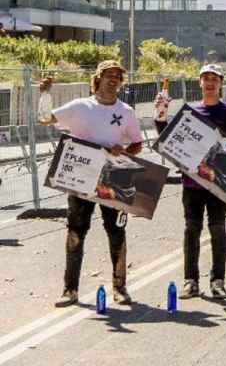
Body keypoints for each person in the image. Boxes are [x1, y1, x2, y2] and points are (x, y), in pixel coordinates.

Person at [42, 60, 144, 307]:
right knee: (76, 232)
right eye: (108, 75)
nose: (113, 79)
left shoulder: (126, 111)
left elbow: (137, 143)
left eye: (117, 76)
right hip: (81, 178)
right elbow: (45, 118)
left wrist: (125, 150)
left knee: (116, 232)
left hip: (114, 178)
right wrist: (44, 93)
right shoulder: (80, 107)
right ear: (97, 78)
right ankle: (70, 290)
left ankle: (120, 288)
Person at [172, 64, 226, 299]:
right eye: (206, 78)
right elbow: (169, 140)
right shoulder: (189, 111)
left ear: (220, 83)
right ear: (199, 82)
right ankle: (190, 281)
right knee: (192, 230)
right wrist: (160, 118)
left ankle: (218, 281)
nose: (210, 83)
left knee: (217, 229)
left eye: (215, 79)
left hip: (218, 183)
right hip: (191, 183)